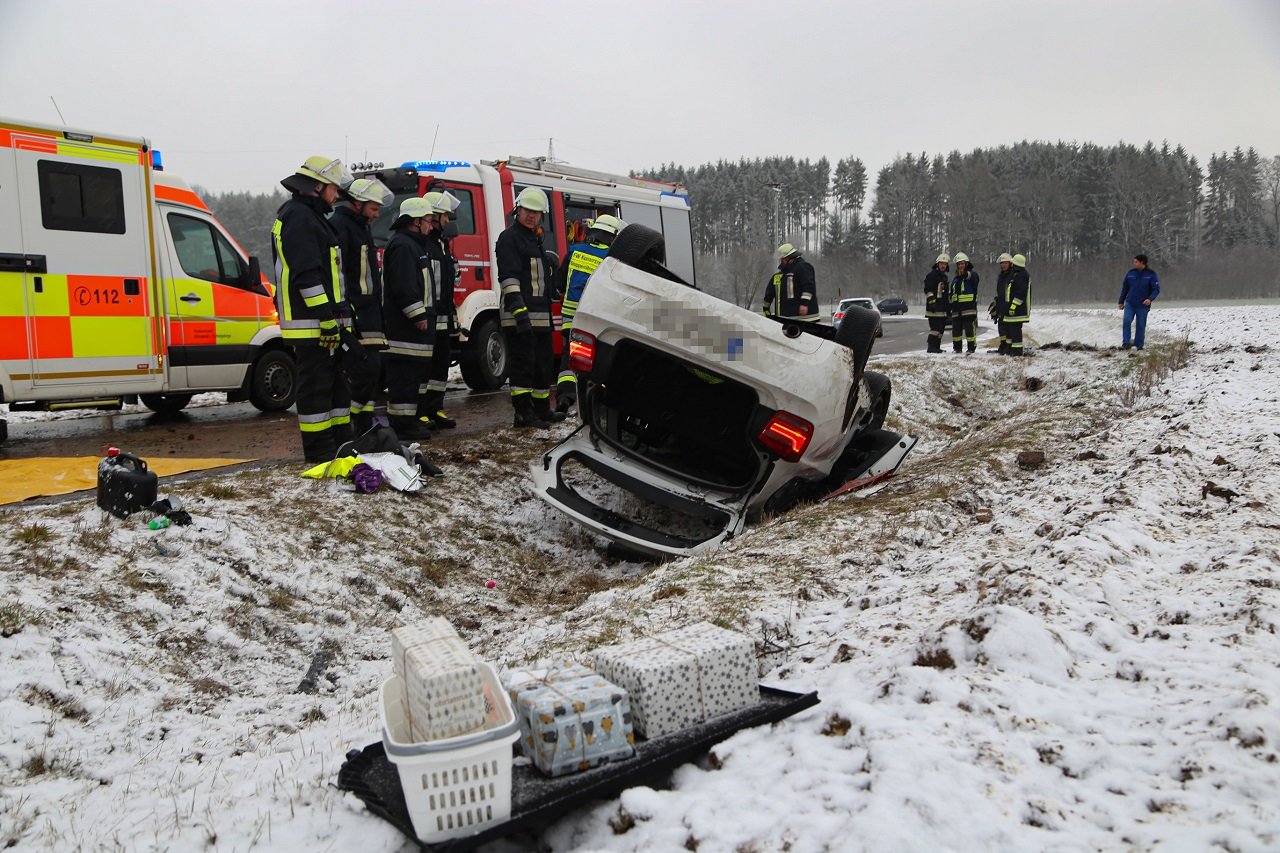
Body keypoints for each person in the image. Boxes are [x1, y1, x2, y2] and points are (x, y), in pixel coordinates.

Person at [271, 155, 355, 462]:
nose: (336, 194)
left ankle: (342, 448)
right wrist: (326, 319)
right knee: (317, 390)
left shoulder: (311, 216)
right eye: (333, 188)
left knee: (337, 390)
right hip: (312, 324)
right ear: (317, 186)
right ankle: (320, 454)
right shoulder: (300, 218)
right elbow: (307, 275)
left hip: (323, 322)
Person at [330, 177, 394, 436]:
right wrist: (346, 309)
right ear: (357, 203)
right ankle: (355, 426)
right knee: (364, 370)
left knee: (374, 372)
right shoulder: (341, 226)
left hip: (370, 313)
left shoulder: (360, 227)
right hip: (356, 312)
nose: (377, 214)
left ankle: (365, 426)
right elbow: (340, 274)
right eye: (373, 208)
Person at [497, 187, 564, 428]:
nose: (531, 215)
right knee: (523, 366)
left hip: (540, 316)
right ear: (517, 210)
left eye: (536, 212)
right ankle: (523, 414)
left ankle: (542, 409)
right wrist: (519, 312)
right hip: (520, 316)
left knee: (543, 364)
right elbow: (509, 278)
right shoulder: (510, 238)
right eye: (527, 210)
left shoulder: (534, 239)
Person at [555, 214, 626, 413]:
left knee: (569, 362)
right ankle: (594, 408)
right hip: (596, 322)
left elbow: (559, 284)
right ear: (612, 237)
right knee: (595, 365)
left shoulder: (574, 252)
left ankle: (565, 398)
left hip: (571, 320)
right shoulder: (611, 260)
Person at [381, 197, 437, 440]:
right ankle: (403, 427)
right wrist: (418, 315)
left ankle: (409, 422)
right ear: (415, 222)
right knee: (404, 378)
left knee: (412, 377)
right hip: (405, 329)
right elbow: (404, 286)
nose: (431, 226)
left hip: (413, 330)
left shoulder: (411, 245)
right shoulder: (404, 246)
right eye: (428, 221)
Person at [419, 190, 463, 429]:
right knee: (425, 367)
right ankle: (422, 411)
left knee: (440, 364)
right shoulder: (424, 244)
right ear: (434, 216)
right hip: (429, 315)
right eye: (445, 215)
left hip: (444, 316)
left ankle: (436, 408)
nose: (448, 220)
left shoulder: (441, 244)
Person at [761, 243, 818, 320]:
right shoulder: (778, 276)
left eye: (783, 259)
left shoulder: (803, 267)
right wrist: (766, 310)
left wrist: (804, 304)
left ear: (789, 258)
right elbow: (769, 294)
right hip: (786, 319)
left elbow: (808, 286)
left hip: (805, 319)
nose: (782, 261)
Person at [1118, 253, 1160, 350]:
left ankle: (1138, 345)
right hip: (1130, 303)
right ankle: (1126, 343)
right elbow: (1125, 288)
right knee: (1127, 321)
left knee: (1140, 325)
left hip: (1143, 304)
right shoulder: (1130, 273)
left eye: (1136, 262)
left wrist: (1150, 299)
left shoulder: (1151, 275)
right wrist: (1121, 301)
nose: (1134, 263)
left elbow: (1156, 289)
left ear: (1142, 262)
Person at [1001, 253, 1032, 356]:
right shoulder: (1016, 274)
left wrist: (1013, 306)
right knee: (1010, 330)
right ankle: (1009, 349)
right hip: (1012, 310)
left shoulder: (1022, 275)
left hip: (1018, 310)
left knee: (1015, 331)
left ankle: (1017, 351)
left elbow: (1020, 294)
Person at [949, 252, 979, 353]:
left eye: (962, 264)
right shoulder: (955, 279)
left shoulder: (972, 275)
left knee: (969, 330)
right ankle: (957, 348)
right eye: (959, 264)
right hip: (956, 310)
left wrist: (965, 274)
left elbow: (972, 277)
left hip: (968, 308)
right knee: (956, 331)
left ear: (966, 264)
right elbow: (952, 293)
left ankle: (971, 348)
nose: (960, 266)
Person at [923, 253, 950, 352]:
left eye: (945, 264)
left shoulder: (944, 277)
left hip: (942, 309)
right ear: (937, 264)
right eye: (941, 263)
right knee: (935, 329)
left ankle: (937, 347)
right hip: (933, 309)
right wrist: (932, 302)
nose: (943, 266)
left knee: (941, 329)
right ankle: (931, 347)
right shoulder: (932, 275)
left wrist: (948, 308)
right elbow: (928, 290)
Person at [990, 253, 1014, 354]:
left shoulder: (1012, 275)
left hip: (1009, 305)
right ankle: (1003, 344)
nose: (1003, 265)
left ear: (1010, 264)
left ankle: (1009, 347)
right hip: (1001, 305)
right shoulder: (1001, 276)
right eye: (1002, 263)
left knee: (1009, 328)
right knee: (1001, 327)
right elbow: (1000, 292)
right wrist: (996, 302)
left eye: (1005, 263)